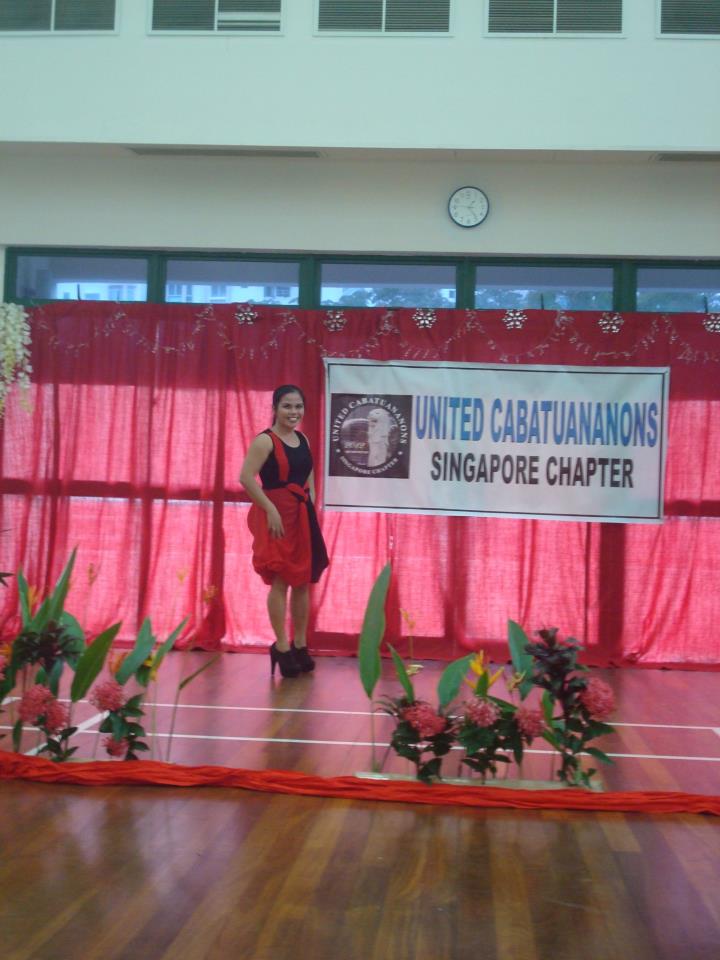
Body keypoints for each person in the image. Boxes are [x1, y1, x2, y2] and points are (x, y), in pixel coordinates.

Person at [239, 385, 329, 678]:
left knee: (302, 581)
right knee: (281, 580)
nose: (294, 412)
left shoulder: (303, 439)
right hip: (276, 516)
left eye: (298, 406)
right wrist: (270, 510)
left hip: (300, 514)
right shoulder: (264, 441)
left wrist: (311, 500)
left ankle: (299, 645)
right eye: (287, 406)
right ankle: (280, 646)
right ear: (275, 408)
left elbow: (309, 473)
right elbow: (246, 478)